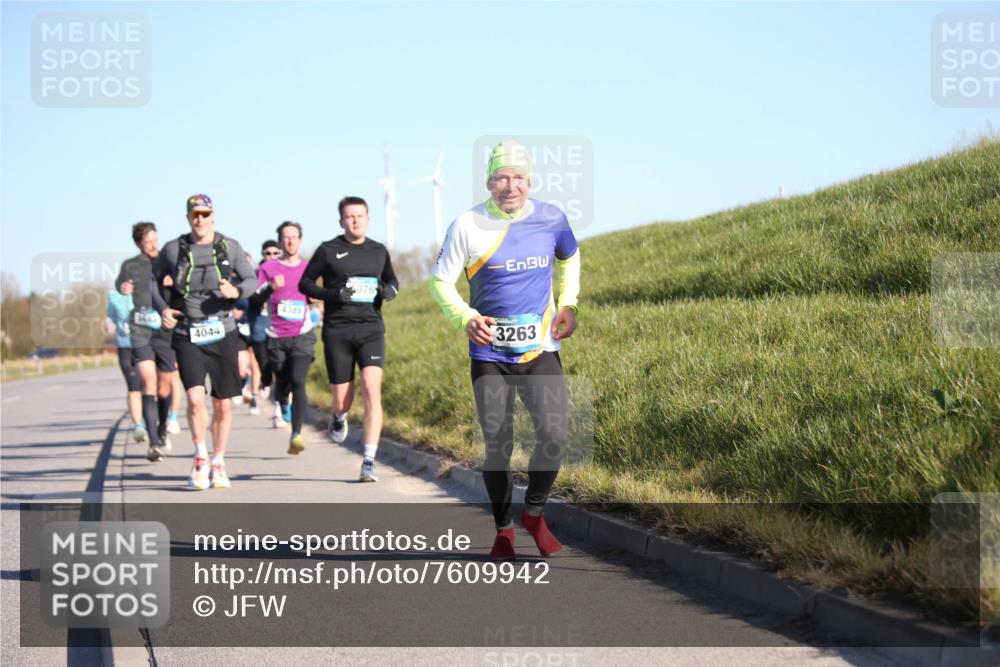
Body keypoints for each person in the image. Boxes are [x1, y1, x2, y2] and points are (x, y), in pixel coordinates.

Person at [430, 141, 581, 560]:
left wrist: (568, 303)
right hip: (490, 357)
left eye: (517, 178)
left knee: (554, 434)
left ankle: (533, 512)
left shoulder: (552, 218)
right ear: (488, 183)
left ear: (529, 182)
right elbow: (440, 282)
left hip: (540, 350)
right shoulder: (467, 225)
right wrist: (466, 318)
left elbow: (570, 259)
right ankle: (503, 529)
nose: (509, 186)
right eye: (501, 177)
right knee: (498, 442)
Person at [156, 194, 257, 490]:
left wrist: (236, 292)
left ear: (213, 215)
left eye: (204, 213)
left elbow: (251, 280)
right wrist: (163, 308)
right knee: (195, 398)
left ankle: (219, 461)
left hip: (223, 332)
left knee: (223, 405)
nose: (200, 219)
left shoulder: (230, 247)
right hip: (189, 332)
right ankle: (200, 456)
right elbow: (151, 281)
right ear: (188, 217)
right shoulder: (174, 249)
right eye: (194, 214)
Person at [300, 196, 398, 482]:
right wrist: (333, 295)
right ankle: (339, 415)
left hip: (371, 328)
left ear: (368, 219)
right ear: (341, 221)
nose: (355, 220)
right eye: (349, 217)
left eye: (360, 216)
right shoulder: (329, 250)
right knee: (342, 399)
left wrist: (391, 291)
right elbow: (304, 283)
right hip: (337, 330)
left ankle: (368, 460)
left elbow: (392, 280)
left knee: (371, 389)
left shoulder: (378, 251)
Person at [118, 222, 182, 453]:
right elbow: (120, 283)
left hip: (165, 332)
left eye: (156, 239)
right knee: (148, 383)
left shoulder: (169, 262)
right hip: (141, 330)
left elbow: (184, 289)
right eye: (148, 242)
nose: (154, 245)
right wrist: (123, 286)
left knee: (164, 388)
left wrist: (173, 283)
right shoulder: (132, 265)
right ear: (138, 244)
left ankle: (163, 429)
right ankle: (153, 442)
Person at [254, 221, 316, 455]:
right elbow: (255, 301)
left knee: (298, 380)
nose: (290, 241)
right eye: (286, 237)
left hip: (302, 335)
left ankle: (296, 434)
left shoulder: (309, 268)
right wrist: (270, 287)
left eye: (294, 237)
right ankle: (281, 400)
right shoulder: (268, 268)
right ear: (280, 242)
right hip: (275, 335)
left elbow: (314, 294)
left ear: (300, 240)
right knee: (282, 378)